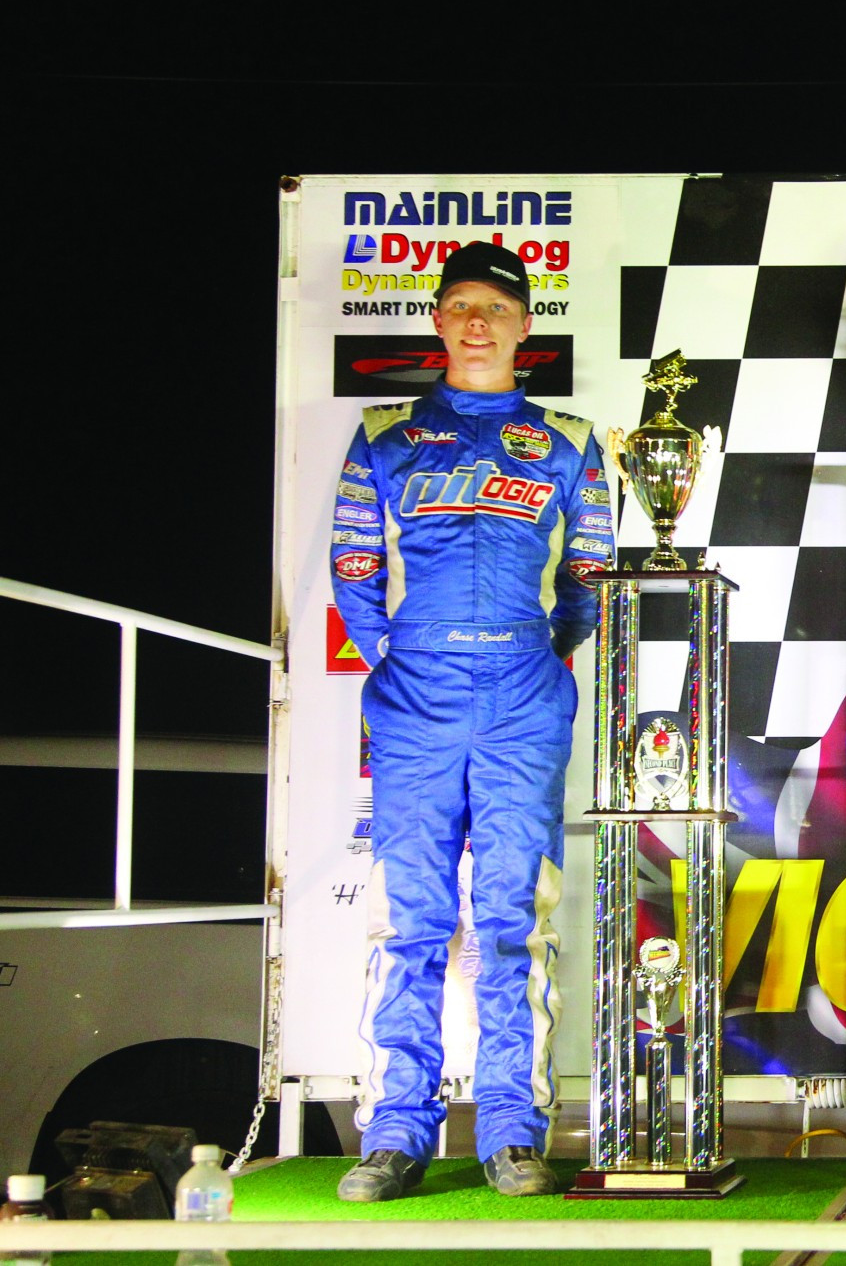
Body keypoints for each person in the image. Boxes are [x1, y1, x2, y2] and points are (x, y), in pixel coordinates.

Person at [329, 241, 615, 1200]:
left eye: (496, 306)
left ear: (527, 324)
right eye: (459, 306)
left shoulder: (572, 442)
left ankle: (511, 1130)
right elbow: (355, 570)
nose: (477, 322)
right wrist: (407, 660)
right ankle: (395, 1130)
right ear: (438, 322)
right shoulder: (384, 433)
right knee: (407, 920)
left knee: (512, 918)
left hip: (522, 696)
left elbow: (588, 581)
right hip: (415, 697)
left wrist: (532, 657)